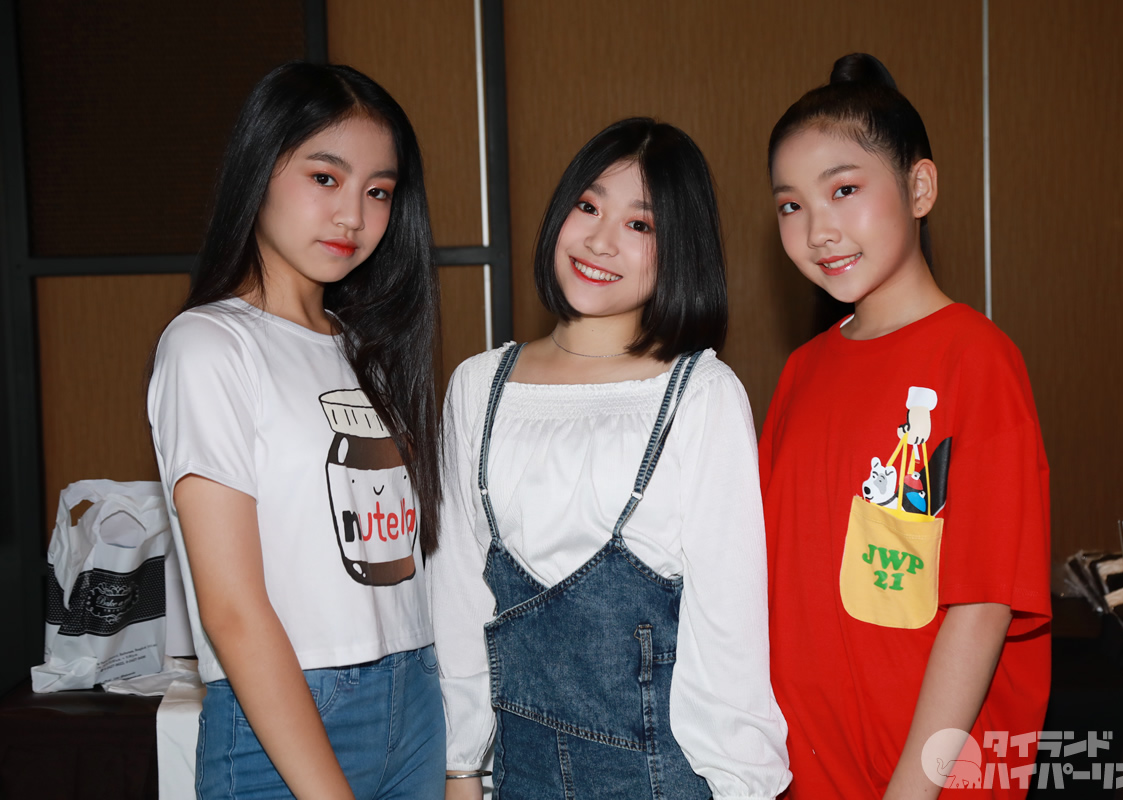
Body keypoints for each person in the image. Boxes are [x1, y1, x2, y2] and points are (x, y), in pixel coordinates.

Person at [434, 118, 790, 799]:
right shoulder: (477, 386)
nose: (600, 241)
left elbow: (730, 630)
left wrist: (745, 786)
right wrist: (461, 768)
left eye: (639, 224)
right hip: (516, 779)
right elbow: (457, 597)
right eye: (588, 206)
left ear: (678, 248)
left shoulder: (702, 394)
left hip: (662, 782)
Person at [147, 62, 444, 799]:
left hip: (414, 693)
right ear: (259, 169)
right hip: (292, 708)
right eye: (325, 178)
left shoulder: (367, 349)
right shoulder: (210, 344)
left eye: (378, 191)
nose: (353, 217)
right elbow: (232, 610)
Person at [760, 53, 1051, 798]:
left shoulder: (975, 360)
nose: (818, 230)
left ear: (919, 188)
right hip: (801, 775)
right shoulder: (801, 372)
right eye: (791, 206)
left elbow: (982, 607)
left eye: (844, 190)